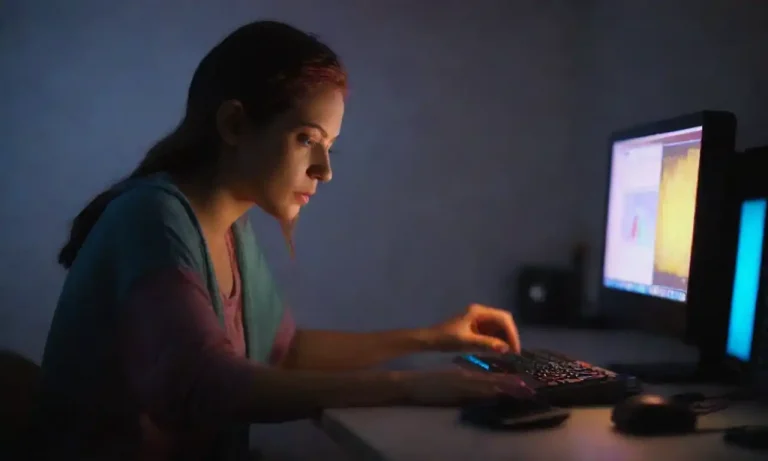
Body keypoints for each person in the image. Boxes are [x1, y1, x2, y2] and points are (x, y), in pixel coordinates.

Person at [39, 20, 529, 461]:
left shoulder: (231, 230)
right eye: (306, 140)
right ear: (234, 125)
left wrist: (434, 338)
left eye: (330, 147)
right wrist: (411, 387)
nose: (325, 170)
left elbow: (284, 353)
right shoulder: (152, 217)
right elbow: (208, 385)